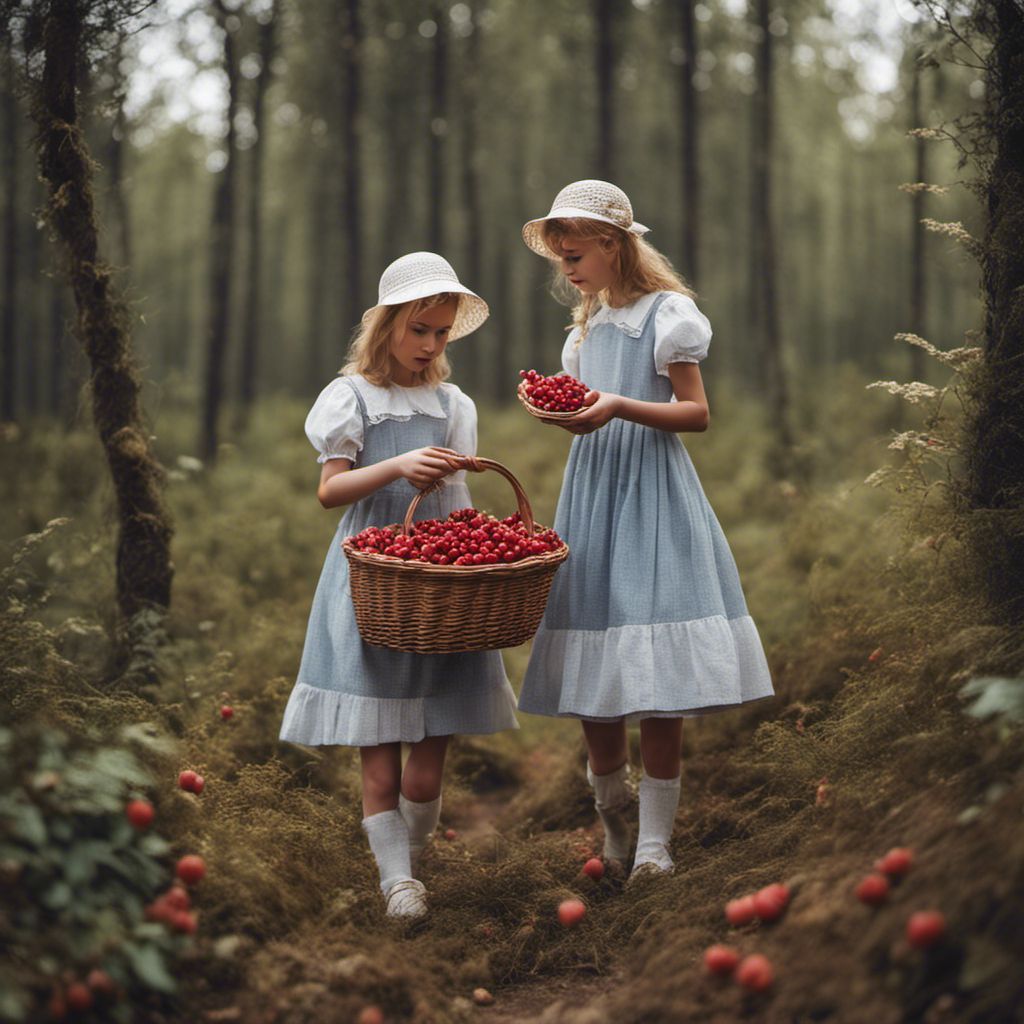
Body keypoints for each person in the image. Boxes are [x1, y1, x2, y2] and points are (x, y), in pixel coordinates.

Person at [517, 180, 774, 883]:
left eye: (576, 255)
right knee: (595, 663)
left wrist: (616, 407)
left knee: (657, 668)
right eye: (560, 259)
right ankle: (615, 821)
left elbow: (695, 412)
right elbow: (588, 404)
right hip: (593, 489)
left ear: (612, 244)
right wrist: (570, 410)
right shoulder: (588, 328)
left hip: (652, 490)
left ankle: (656, 844)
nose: (567, 269)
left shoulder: (670, 314)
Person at [279, 252, 519, 918]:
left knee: (434, 733)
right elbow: (331, 490)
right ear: (386, 326)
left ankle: (411, 864)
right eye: (419, 331)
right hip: (376, 576)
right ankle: (397, 884)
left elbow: (462, 497)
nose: (431, 345)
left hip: (439, 584)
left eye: (442, 333)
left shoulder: (451, 403)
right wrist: (397, 468)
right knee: (380, 735)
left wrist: (478, 548)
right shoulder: (351, 397)